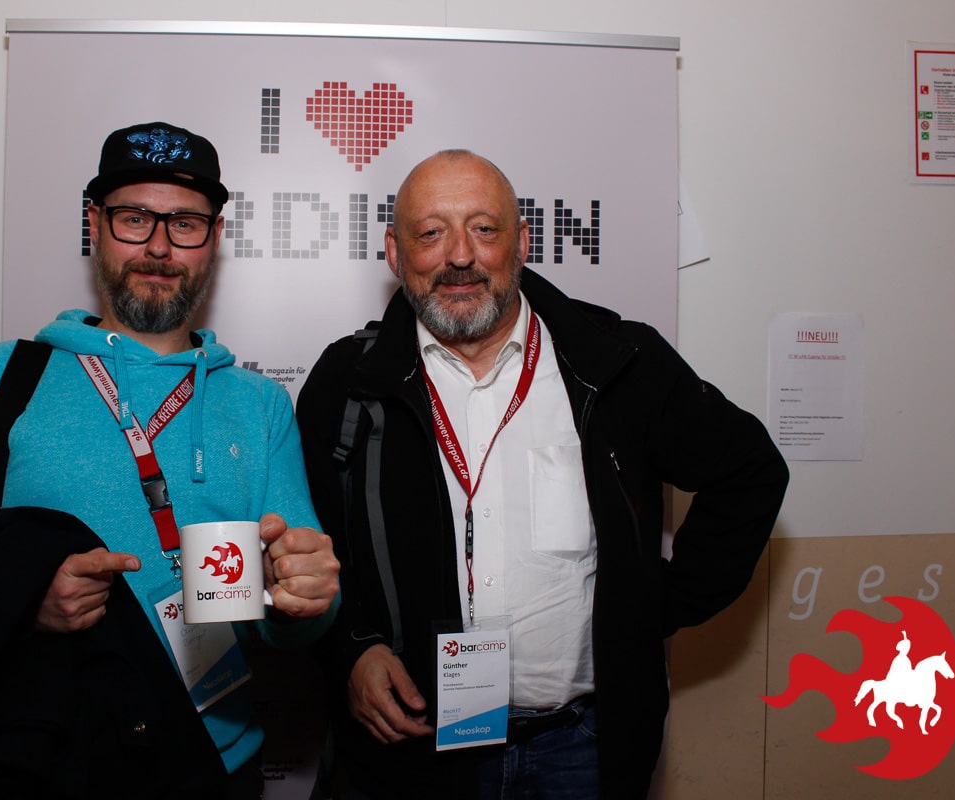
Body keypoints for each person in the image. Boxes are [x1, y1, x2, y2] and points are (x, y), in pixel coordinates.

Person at [0, 121, 340, 796]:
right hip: (30, 758)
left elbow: (294, 615)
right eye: (134, 218)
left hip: (212, 765)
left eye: (185, 224)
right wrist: (20, 596)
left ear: (214, 237)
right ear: (94, 224)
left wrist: (307, 597)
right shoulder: (3, 378)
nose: (158, 246)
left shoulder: (259, 404)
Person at [295, 149, 788, 799]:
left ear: (523, 241)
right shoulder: (347, 382)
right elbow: (305, 549)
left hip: (580, 749)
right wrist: (352, 650)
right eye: (431, 232)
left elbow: (749, 471)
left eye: (484, 228)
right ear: (394, 251)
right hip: (410, 757)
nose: (460, 255)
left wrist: (654, 606)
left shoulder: (619, 363)